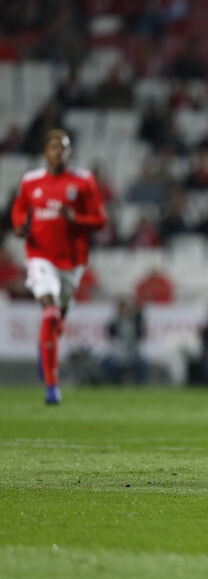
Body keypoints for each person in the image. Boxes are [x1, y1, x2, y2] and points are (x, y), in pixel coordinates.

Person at [11, 129, 108, 405]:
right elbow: (19, 208)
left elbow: (100, 220)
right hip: (40, 255)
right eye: (54, 148)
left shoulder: (83, 180)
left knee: (56, 323)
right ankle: (52, 387)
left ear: (70, 153)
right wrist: (20, 226)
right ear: (45, 153)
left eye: (64, 148)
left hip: (73, 261)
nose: (59, 152)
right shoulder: (31, 181)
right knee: (50, 310)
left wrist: (76, 218)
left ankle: (45, 347)